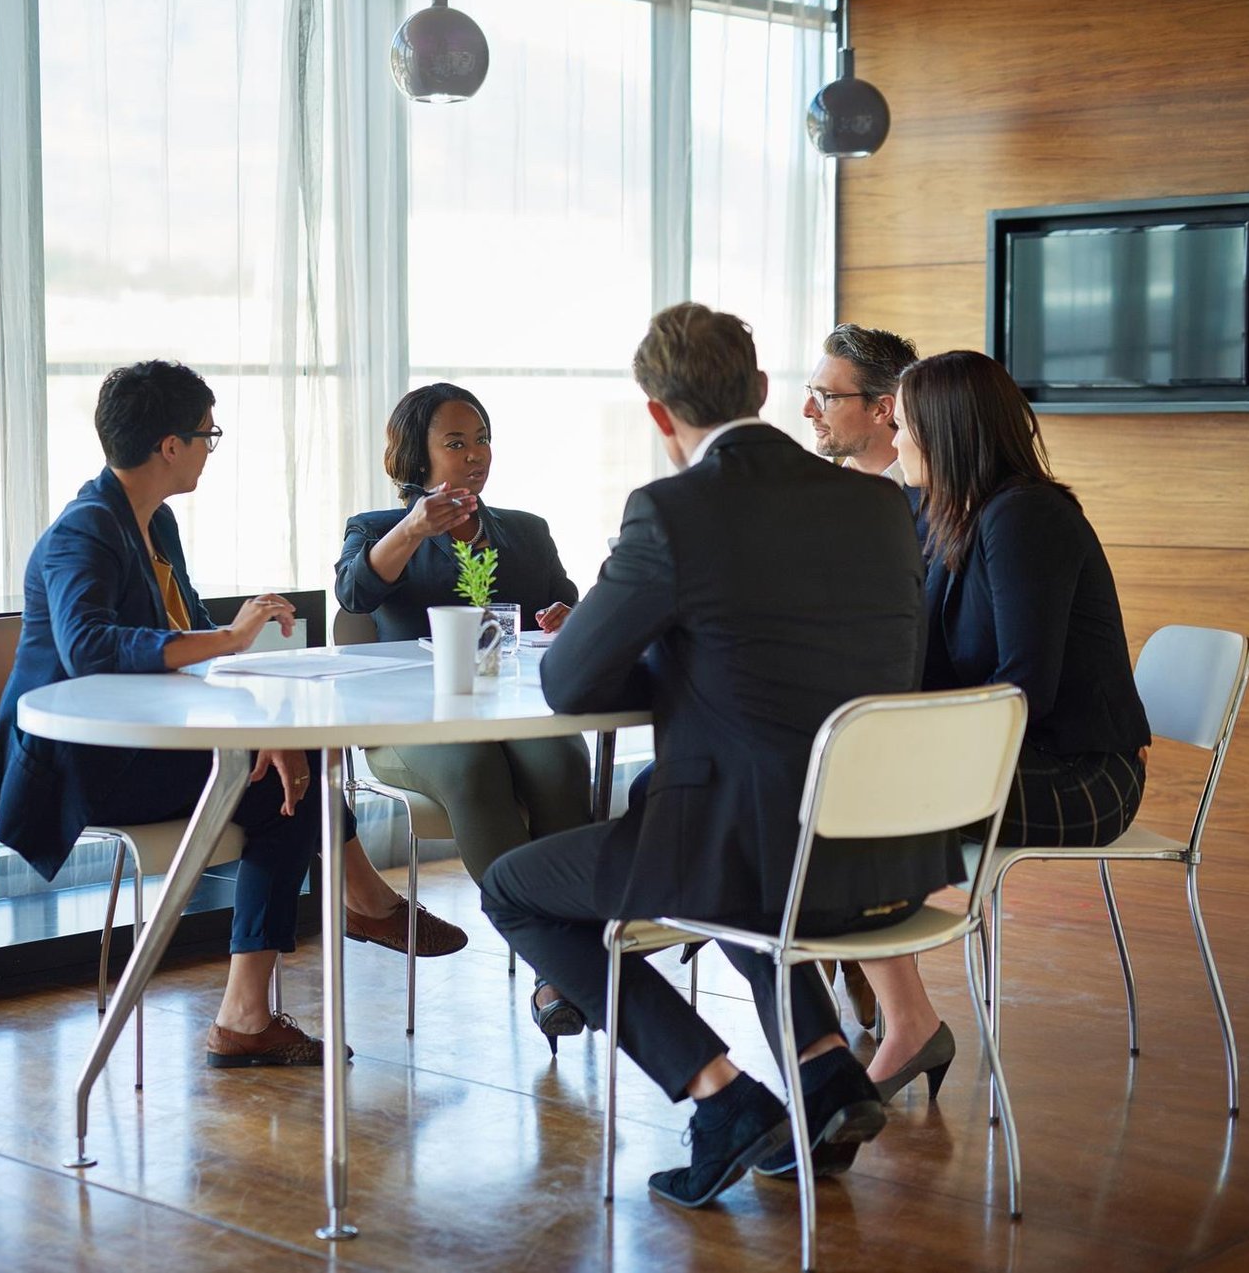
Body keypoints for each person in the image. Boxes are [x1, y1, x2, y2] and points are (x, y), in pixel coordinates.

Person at [480, 303, 963, 1209]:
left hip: (750, 847)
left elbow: (571, 683)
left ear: (659, 414)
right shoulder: (878, 504)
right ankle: (824, 1076)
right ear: (764, 392)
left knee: (514, 887)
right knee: (736, 847)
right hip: (882, 848)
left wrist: (651, 631)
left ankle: (719, 1093)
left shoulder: (669, 510)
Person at [0, 360, 464, 1069]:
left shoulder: (153, 521)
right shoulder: (84, 530)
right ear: (168, 445)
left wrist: (259, 726)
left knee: (287, 770)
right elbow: (90, 647)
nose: (211, 445)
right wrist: (234, 642)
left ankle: (272, 989)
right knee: (283, 789)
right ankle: (314, 947)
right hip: (81, 764)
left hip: (145, 747)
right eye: (208, 432)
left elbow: (192, 642)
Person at [858, 349, 1151, 1103]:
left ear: (949, 433)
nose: (899, 440)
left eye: (909, 425)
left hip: (1085, 772)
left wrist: (913, 753)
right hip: (1013, 758)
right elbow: (924, 666)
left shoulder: (1027, 517)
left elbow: (1025, 690)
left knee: (854, 802)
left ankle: (902, 1013)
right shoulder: (946, 516)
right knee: (834, 785)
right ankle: (901, 1008)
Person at [334, 382, 593, 1040]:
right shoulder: (374, 530)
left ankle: (565, 945)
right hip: (410, 728)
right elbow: (354, 593)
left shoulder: (525, 530)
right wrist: (414, 527)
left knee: (562, 756)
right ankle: (555, 962)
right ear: (416, 456)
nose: (475, 454)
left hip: (510, 714)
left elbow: (564, 605)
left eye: (481, 439)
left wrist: (566, 618)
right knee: (475, 768)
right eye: (456, 442)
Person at [803, 323, 924, 1029]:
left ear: (885, 409)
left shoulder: (935, 508)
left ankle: (845, 973)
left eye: (825, 394)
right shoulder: (807, 499)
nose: (809, 410)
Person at [803, 323, 918, 482]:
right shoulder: (813, 492)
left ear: (881, 409)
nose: (807, 410)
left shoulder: (946, 498)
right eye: (811, 392)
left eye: (826, 396)